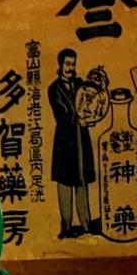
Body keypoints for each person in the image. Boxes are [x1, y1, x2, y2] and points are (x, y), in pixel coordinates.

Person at [47, 49, 96, 238]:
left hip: (81, 138)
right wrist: (78, 118)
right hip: (65, 140)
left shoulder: (80, 84)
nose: (70, 68)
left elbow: (91, 100)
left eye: (73, 64)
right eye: (67, 64)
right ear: (60, 65)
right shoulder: (54, 88)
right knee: (65, 183)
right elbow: (61, 114)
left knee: (82, 180)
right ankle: (66, 226)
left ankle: (86, 224)